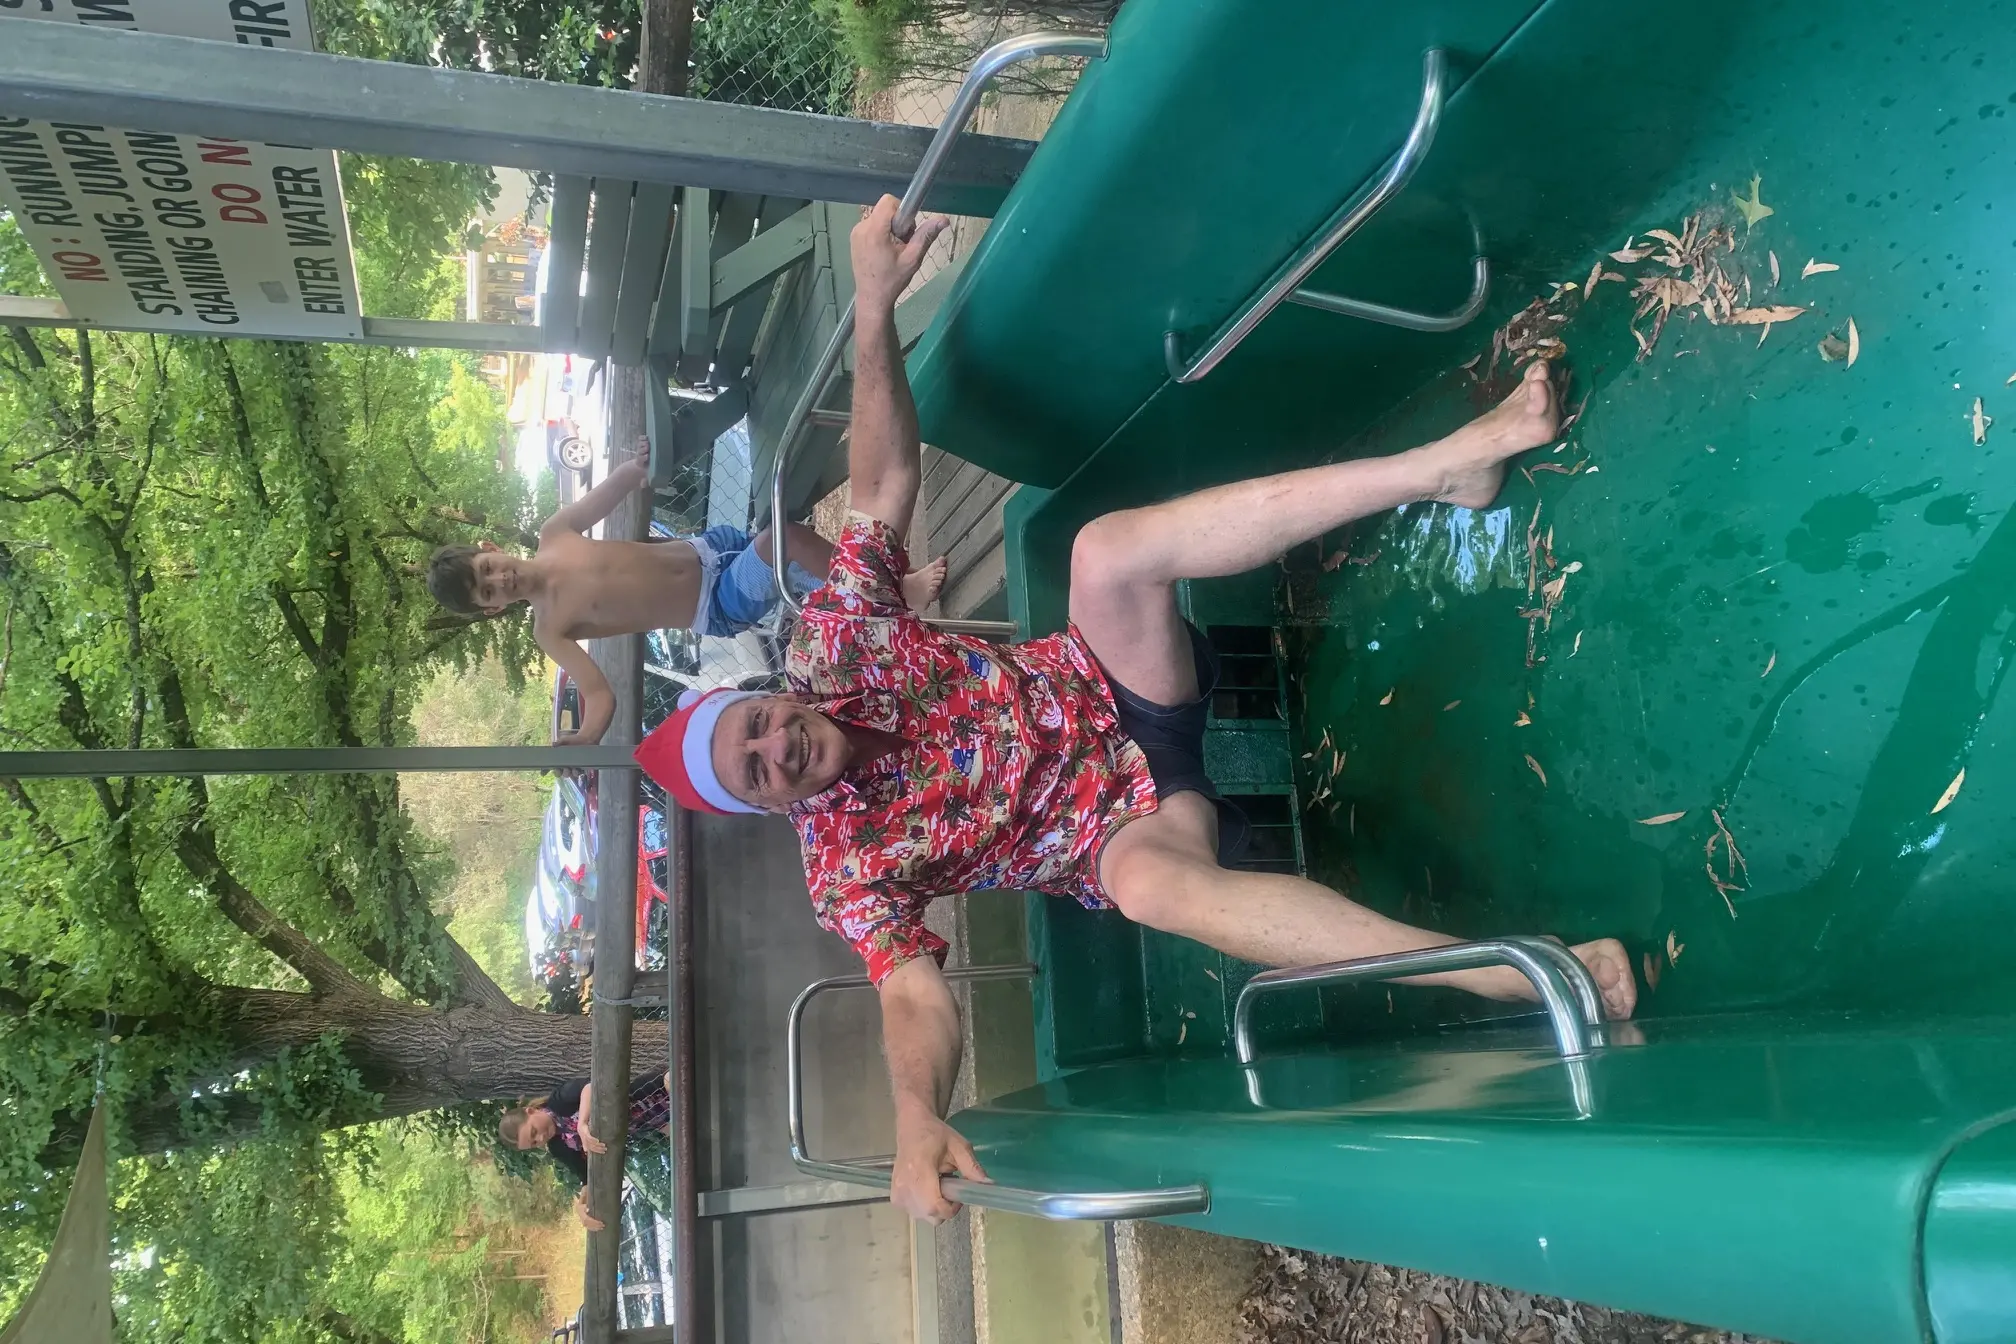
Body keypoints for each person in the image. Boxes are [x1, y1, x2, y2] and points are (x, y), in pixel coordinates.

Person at [631, 194, 1639, 1227]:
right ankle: (1514, 982)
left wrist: (878, 304)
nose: (775, 747)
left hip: (1119, 681)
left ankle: (1447, 467)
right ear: (767, 805)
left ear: (765, 695)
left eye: (752, 724)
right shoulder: (845, 871)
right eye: (754, 770)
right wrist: (912, 1113)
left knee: (1101, 552)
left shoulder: (840, 639)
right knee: (1154, 893)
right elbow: (912, 993)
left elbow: (882, 477)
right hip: (1122, 833)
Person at [425, 441, 950, 745]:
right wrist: (585, 738)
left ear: (490, 547)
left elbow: (608, 494)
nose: (499, 579)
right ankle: (895, 590)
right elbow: (600, 694)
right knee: (783, 541)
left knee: (801, 572)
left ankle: (880, 607)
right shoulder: (550, 629)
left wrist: (634, 469)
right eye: (487, 589)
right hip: (715, 604)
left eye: (488, 567)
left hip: (710, 548)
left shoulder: (555, 533)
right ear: (492, 608)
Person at [499, 1071, 673, 1231]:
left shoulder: (558, 1101)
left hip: (652, 1092)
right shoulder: (558, 1147)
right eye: (534, 1143)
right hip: (658, 1123)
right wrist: (582, 1205)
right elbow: (587, 1178)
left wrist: (582, 1124)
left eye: (533, 1132)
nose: (540, 1139)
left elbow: (590, 1087)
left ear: (530, 1111)